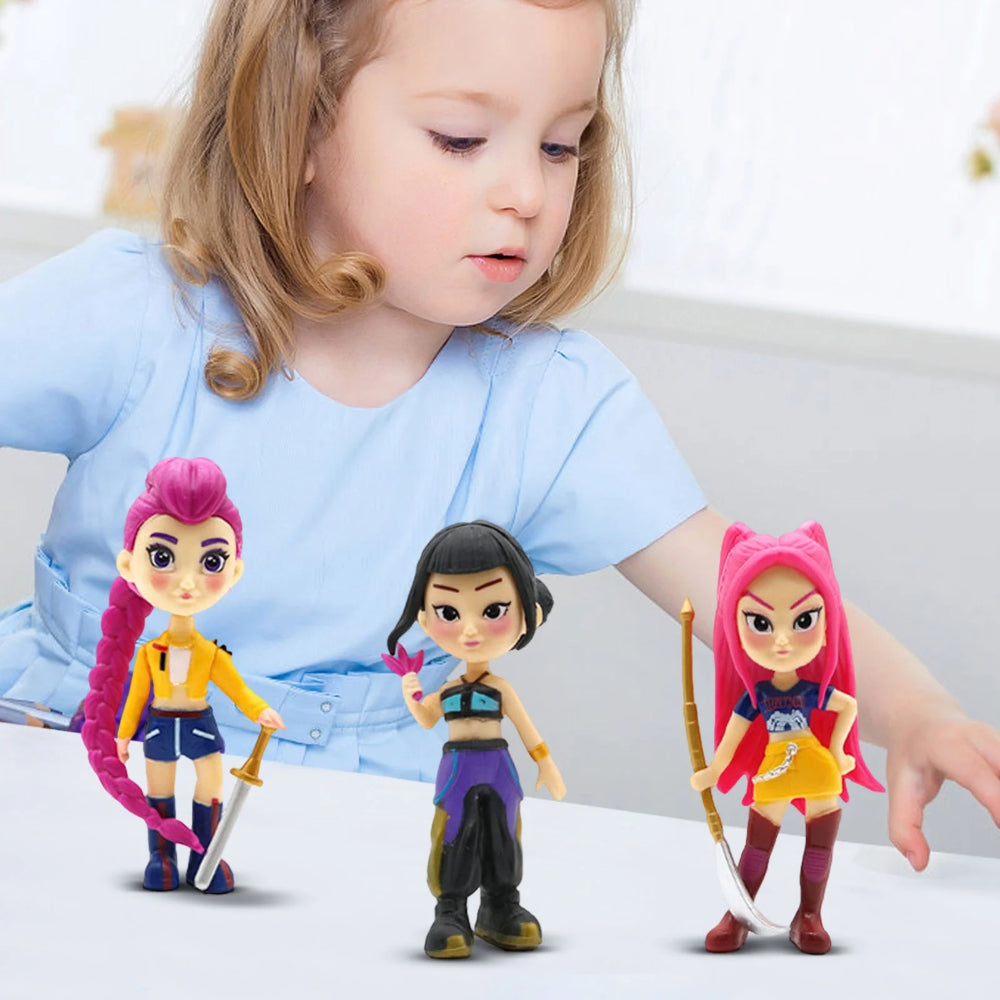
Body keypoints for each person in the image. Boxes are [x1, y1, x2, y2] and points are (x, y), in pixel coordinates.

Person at [0, 0, 995, 873]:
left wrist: (917, 711)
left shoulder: (545, 404)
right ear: (297, 119)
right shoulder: (137, 316)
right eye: (462, 138)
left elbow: (747, 586)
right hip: (66, 791)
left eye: (561, 145)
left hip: (353, 845)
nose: (527, 191)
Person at [81, 457, 285, 892]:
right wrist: (122, 736)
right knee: (160, 789)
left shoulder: (210, 654)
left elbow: (237, 689)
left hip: (200, 724)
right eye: (163, 557)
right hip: (159, 725)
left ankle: (204, 856)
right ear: (128, 566)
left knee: (210, 785)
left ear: (234, 572)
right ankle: (162, 856)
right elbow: (136, 697)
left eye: (212, 561)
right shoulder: (149, 653)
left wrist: (260, 711)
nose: (187, 583)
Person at [690, 522, 883, 954]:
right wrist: (715, 771)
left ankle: (809, 915)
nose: (781, 640)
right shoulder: (756, 696)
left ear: (827, 622)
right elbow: (734, 734)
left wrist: (839, 751)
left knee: (818, 850)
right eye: (760, 622)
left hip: (817, 768)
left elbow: (846, 706)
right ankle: (739, 914)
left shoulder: (811, 691)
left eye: (803, 620)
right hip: (774, 769)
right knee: (757, 848)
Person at [386, 520, 563, 958]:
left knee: (503, 831)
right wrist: (411, 693)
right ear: (425, 619)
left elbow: (527, 730)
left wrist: (545, 763)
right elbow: (426, 718)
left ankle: (501, 904)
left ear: (528, 613)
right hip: (458, 770)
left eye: (493, 609)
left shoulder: (501, 690)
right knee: (454, 832)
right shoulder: (446, 692)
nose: (470, 630)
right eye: (449, 613)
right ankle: (450, 910)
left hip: (498, 767)